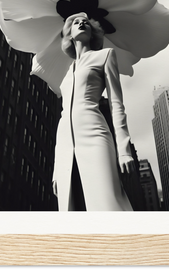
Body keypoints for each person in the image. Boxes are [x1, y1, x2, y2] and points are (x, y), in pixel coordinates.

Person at [51, 12, 135, 211]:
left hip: (95, 134)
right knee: (71, 208)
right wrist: (57, 167)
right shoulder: (66, 72)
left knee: (107, 202)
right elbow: (64, 116)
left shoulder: (105, 55)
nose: (81, 23)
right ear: (69, 34)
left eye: (86, 23)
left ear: (92, 33)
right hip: (65, 143)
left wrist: (124, 150)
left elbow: (116, 103)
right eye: (76, 23)